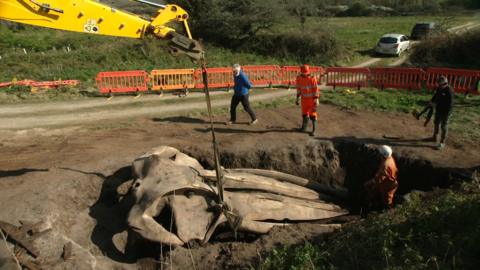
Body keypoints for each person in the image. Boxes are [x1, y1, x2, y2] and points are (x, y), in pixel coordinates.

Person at [364, 145, 398, 210]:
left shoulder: (385, 165)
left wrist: (368, 183)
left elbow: (379, 178)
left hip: (388, 184)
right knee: (373, 192)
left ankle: (389, 213)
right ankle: (373, 204)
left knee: (387, 201)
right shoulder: (390, 158)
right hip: (385, 182)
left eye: (380, 153)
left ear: (382, 155)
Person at [428, 76, 454, 150]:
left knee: (444, 126)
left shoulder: (449, 91)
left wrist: (436, 104)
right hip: (439, 110)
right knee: (436, 122)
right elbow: (435, 95)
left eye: (440, 85)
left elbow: (449, 104)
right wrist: (431, 101)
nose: (439, 86)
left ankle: (442, 142)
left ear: (445, 83)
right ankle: (434, 137)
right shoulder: (439, 88)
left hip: (446, 112)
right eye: (438, 84)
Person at [295, 64, 320, 136]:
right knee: (304, 114)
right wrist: (297, 98)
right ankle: (303, 128)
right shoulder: (298, 78)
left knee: (313, 115)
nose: (305, 74)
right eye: (304, 73)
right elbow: (298, 89)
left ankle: (313, 130)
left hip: (312, 100)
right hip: (304, 100)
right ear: (301, 72)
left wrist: (316, 99)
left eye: (306, 73)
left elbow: (315, 89)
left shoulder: (312, 78)